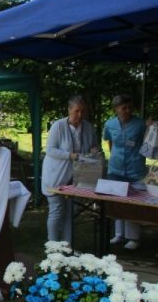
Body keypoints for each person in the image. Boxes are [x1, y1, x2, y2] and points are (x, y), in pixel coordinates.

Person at [42, 96, 100, 244]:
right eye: (76, 111)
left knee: (70, 213)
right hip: (55, 175)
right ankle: (53, 248)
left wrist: (95, 151)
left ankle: (68, 247)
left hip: (76, 177)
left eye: (83, 111)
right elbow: (50, 150)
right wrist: (70, 155)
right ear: (69, 110)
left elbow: (94, 146)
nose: (80, 115)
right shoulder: (58, 126)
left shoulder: (88, 127)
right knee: (56, 211)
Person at [104, 94, 147, 250]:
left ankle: (133, 238)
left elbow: (148, 144)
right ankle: (119, 234)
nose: (128, 110)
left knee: (132, 203)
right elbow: (108, 141)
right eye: (124, 108)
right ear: (116, 109)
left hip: (135, 169)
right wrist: (115, 155)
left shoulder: (140, 124)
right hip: (115, 169)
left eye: (130, 107)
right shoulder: (109, 124)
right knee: (116, 202)